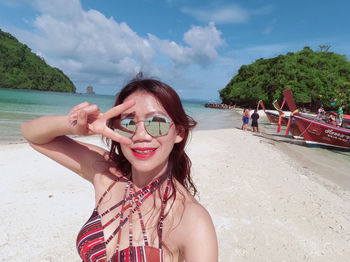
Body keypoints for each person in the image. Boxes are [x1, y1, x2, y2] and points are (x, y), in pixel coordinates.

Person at [21, 78, 218, 262]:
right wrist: (74, 126)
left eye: (157, 124)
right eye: (129, 123)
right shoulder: (107, 173)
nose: (141, 135)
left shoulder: (191, 220)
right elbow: (32, 135)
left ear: (179, 133)